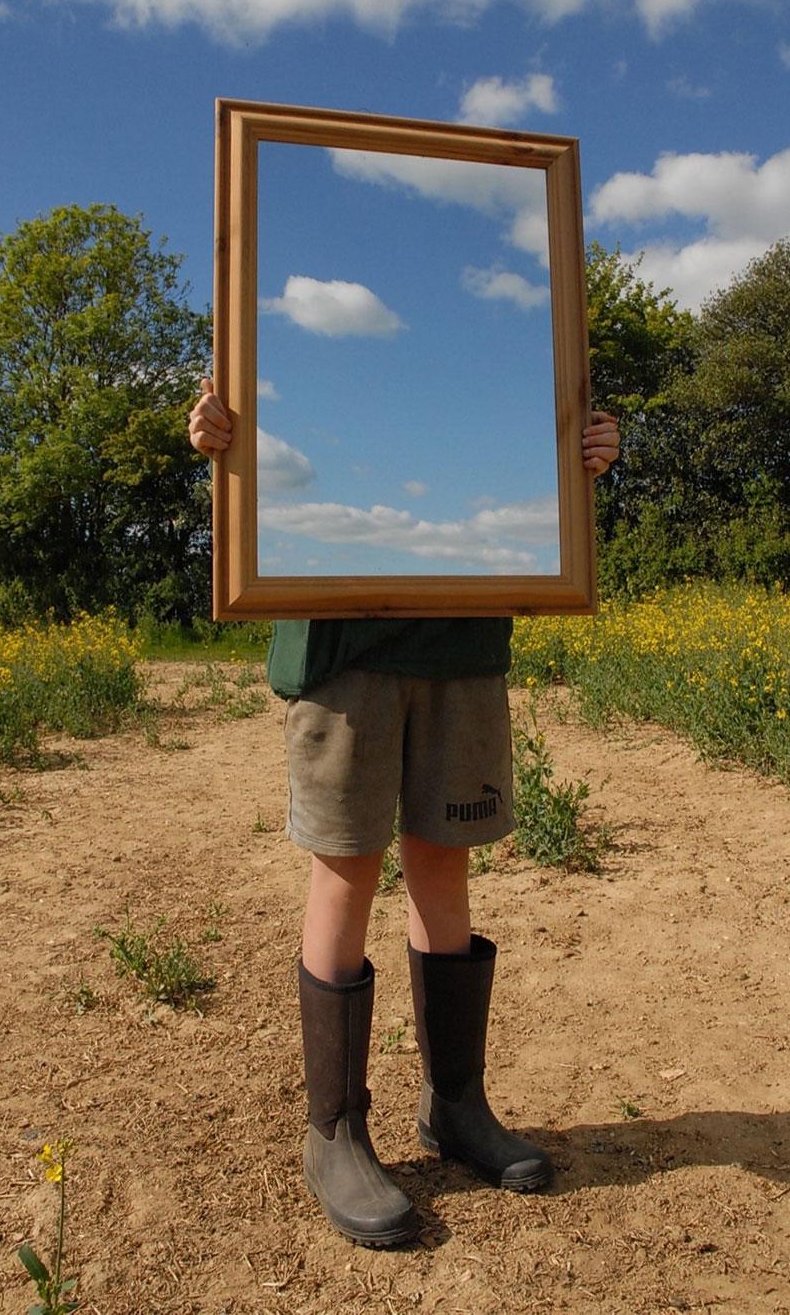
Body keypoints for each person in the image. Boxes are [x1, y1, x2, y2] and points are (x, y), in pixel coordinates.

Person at [189, 376, 620, 1246]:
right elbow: (259, 436)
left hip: (462, 636)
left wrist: (582, 454)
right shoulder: (284, 331)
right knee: (346, 869)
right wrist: (220, 438)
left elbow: (524, 430)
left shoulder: (505, 325)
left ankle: (455, 1106)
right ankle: (335, 1132)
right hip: (340, 638)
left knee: (444, 864)